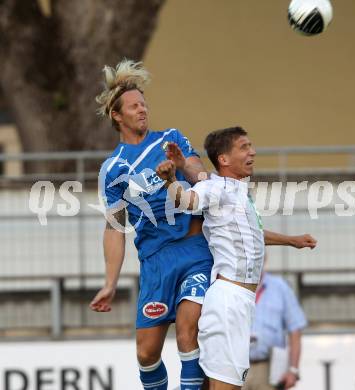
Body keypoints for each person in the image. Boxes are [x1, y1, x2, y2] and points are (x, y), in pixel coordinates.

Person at [156, 126, 317, 390]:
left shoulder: (239, 192)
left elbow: (254, 233)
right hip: (229, 301)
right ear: (224, 159)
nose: (252, 151)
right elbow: (187, 201)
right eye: (244, 147)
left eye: (251, 146)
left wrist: (292, 241)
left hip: (240, 301)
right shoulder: (215, 187)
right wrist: (171, 180)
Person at [89, 59, 213, 390]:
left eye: (143, 103)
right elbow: (114, 228)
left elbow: (199, 174)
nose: (142, 109)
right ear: (117, 116)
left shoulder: (170, 139)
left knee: (189, 331)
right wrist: (110, 282)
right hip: (156, 261)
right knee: (146, 354)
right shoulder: (113, 169)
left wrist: (190, 170)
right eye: (133, 106)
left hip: (194, 249)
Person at [243, 270, 307, 390]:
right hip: (236, 367)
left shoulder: (280, 287)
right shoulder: (233, 286)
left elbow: (295, 330)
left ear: (263, 258)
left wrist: (293, 370)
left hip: (270, 369)